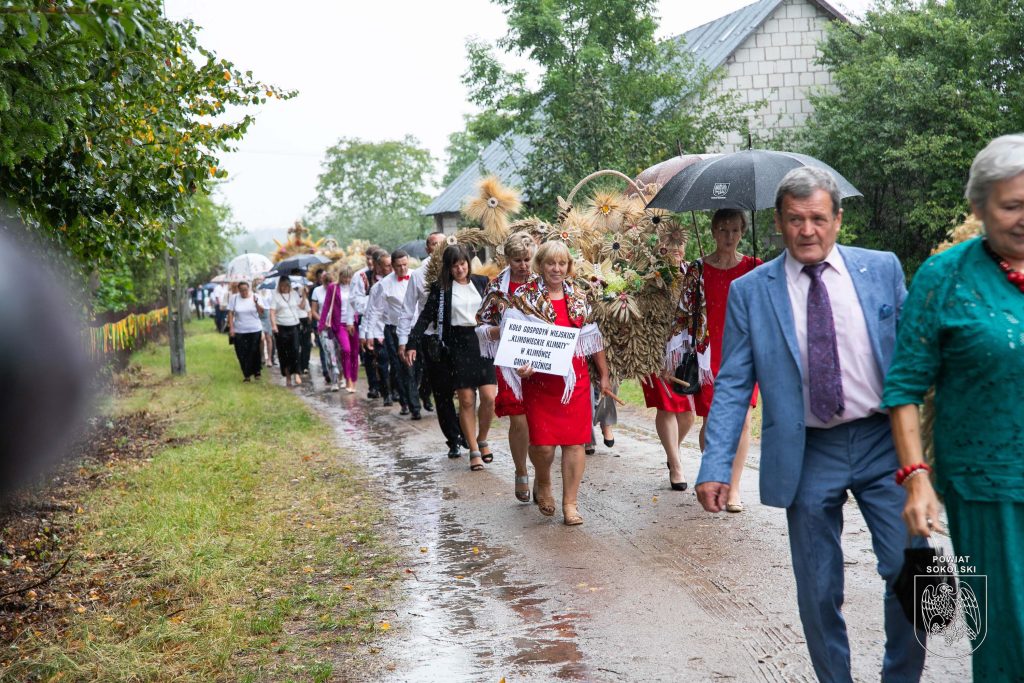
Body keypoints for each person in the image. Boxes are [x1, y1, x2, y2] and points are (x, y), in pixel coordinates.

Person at [695, 167, 925, 683]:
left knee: (915, 570)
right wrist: (714, 465)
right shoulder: (752, 291)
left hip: (885, 442)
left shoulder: (882, 269)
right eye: (795, 219)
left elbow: (915, 358)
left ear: (838, 219)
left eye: (818, 218)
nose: (807, 230)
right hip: (807, 449)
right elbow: (733, 383)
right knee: (819, 588)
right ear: (778, 222)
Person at [882, 134, 1024, 681]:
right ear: (979, 207)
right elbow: (904, 387)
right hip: (988, 488)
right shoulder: (945, 278)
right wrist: (917, 478)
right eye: (1011, 206)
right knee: (1009, 637)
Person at [503, 241, 612, 526]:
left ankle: (570, 504)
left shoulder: (578, 296)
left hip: (575, 381)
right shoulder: (525, 296)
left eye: (562, 263)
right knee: (543, 446)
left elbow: (592, 338)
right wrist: (519, 366)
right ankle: (544, 483)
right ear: (540, 265)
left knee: (575, 442)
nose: (556, 269)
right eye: (551, 263)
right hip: (538, 382)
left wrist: (604, 374)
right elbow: (513, 339)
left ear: (568, 267)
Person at [685, 209, 763, 510]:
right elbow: (684, 315)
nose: (729, 236)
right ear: (713, 231)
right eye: (723, 230)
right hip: (707, 356)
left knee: (742, 421)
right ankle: (714, 473)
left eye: (735, 230)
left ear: (742, 232)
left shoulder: (755, 267)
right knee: (712, 421)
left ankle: (733, 487)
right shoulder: (697, 269)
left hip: (744, 352)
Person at [405, 244, 496, 469]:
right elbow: (424, 317)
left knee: (489, 397)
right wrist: (411, 343)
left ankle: (482, 438)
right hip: (457, 346)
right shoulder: (441, 289)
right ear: (448, 267)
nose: (460, 269)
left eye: (462, 264)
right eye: (454, 266)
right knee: (466, 400)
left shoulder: (482, 282)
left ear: (468, 263)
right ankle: (474, 450)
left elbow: (496, 310)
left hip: (482, 342)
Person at [477, 231, 536, 499]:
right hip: (510, 362)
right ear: (507, 259)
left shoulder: (544, 282)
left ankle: (542, 477)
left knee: (539, 419)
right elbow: (481, 323)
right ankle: (521, 471)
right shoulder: (496, 287)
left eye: (527, 259)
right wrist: (499, 332)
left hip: (540, 360)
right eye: (517, 260)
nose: (523, 265)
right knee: (519, 419)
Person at [399, 232, 466, 456]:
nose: (440, 248)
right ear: (428, 249)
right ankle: (453, 438)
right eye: (435, 244)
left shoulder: (462, 271)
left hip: (459, 339)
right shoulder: (419, 275)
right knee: (442, 392)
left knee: (465, 389)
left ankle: (465, 429)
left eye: (443, 243)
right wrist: (407, 342)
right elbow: (410, 310)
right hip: (432, 339)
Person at [643, 244, 696, 491]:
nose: (676, 248)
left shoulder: (693, 271)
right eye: (669, 243)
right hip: (655, 350)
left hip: (685, 352)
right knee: (666, 406)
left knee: (688, 414)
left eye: (679, 243)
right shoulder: (649, 274)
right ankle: (676, 466)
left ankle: (672, 450)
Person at [365, 250, 420, 415]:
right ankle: (410, 405)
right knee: (402, 367)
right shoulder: (384, 284)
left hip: (416, 328)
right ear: (392, 267)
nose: (402, 269)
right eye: (398, 266)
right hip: (394, 329)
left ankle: (417, 396)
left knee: (418, 367)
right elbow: (375, 310)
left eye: (405, 265)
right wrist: (369, 334)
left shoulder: (416, 276)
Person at [352, 246, 385, 399]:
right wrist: (371, 303)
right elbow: (355, 301)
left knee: (386, 356)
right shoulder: (361, 276)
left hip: (386, 321)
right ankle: (373, 386)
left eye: (374, 259)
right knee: (371, 354)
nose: (371, 262)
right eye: (369, 258)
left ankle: (388, 386)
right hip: (368, 318)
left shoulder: (389, 276)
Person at [270, 276, 307, 387]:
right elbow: (272, 312)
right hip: (281, 327)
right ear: (279, 286)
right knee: (283, 353)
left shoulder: (294, 294)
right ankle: (288, 376)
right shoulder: (276, 296)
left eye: (286, 285)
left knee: (295, 350)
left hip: (294, 325)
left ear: (289, 285)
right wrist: (274, 325)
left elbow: (301, 306)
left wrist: (304, 295)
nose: (284, 287)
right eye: (282, 285)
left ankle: (297, 373)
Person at [227, 280, 264, 382]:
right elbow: (230, 313)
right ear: (238, 290)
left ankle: (257, 371)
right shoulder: (234, 298)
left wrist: (256, 303)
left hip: (254, 329)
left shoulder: (256, 297)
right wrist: (231, 328)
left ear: (249, 289)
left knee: (254, 351)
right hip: (240, 330)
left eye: (246, 290)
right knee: (241, 353)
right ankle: (246, 374)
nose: (244, 292)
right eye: (241, 290)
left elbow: (261, 312)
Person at [315, 269, 343, 392]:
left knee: (339, 353)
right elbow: (316, 310)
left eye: (330, 282)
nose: (328, 285)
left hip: (337, 327)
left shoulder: (339, 290)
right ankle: (334, 380)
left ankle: (341, 376)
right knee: (329, 354)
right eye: (326, 282)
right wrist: (322, 323)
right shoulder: (317, 291)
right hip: (325, 328)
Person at [253, 277, 275, 367]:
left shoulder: (269, 291)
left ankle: (269, 359)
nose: (260, 283)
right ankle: (262, 356)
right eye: (258, 282)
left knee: (268, 337)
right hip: (258, 315)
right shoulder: (254, 293)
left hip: (267, 314)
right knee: (261, 338)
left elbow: (272, 303)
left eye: (261, 282)